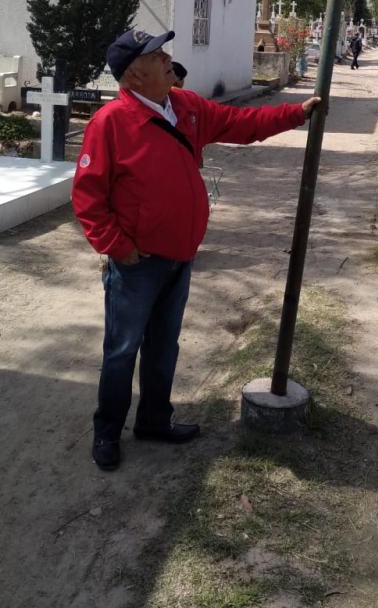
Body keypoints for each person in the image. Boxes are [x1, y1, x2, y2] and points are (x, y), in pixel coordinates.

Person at [72, 28, 321, 471]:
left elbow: (241, 124)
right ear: (134, 75)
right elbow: (88, 197)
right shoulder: (110, 123)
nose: (167, 58)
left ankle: (154, 420)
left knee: (164, 346)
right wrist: (117, 247)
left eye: (163, 51)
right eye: (156, 55)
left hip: (180, 255)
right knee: (122, 350)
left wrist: (295, 114)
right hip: (137, 263)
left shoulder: (185, 107)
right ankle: (107, 431)